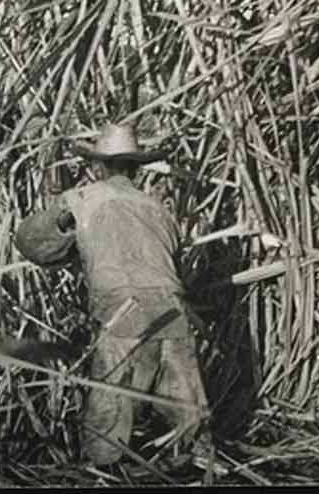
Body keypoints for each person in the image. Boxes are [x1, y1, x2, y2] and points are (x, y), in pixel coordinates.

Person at [14, 122, 211, 468]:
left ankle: (101, 470)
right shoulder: (159, 209)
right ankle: (200, 465)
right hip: (172, 309)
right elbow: (167, 258)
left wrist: (63, 228)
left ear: (97, 166)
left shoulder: (82, 199)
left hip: (122, 312)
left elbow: (31, 243)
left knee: (110, 411)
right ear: (136, 167)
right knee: (187, 412)